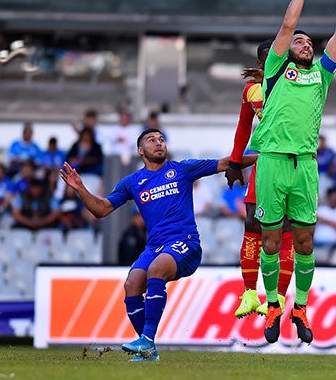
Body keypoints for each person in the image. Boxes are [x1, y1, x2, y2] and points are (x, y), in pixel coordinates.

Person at [59, 128, 255, 362]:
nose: (159, 143)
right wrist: (80, 188)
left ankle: (147, 341)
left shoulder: (182, 169)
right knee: (132, 284)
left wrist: (266, 157)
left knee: (156, 269)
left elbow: (226, 162)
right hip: (154, 247)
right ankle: (148, 350)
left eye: (161, 140)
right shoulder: (133, 182)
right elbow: (101, 210)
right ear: (140, 150)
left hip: (185, 243)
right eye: (152, 140)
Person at [247, 0, 336, 344]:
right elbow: (288, 22)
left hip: (306, 166)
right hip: (274, 161)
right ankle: (274, 304)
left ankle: (301, 306)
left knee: (306, 241)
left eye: (308, 41)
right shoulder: (277, 68)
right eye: (299, 40)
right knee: (272, 240)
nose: (304, 42)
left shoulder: (322, 75)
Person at [224, 40, 295, 319]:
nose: (272, 63)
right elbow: (244, 125)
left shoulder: (296, 84)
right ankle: (250, 293)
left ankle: (276, 296)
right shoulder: (252, 89)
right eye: (267, 60)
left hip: (293, 164)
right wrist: (233, 161)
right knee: (252, 221)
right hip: (264, 162)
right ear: (261, 63)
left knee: (286, 228)